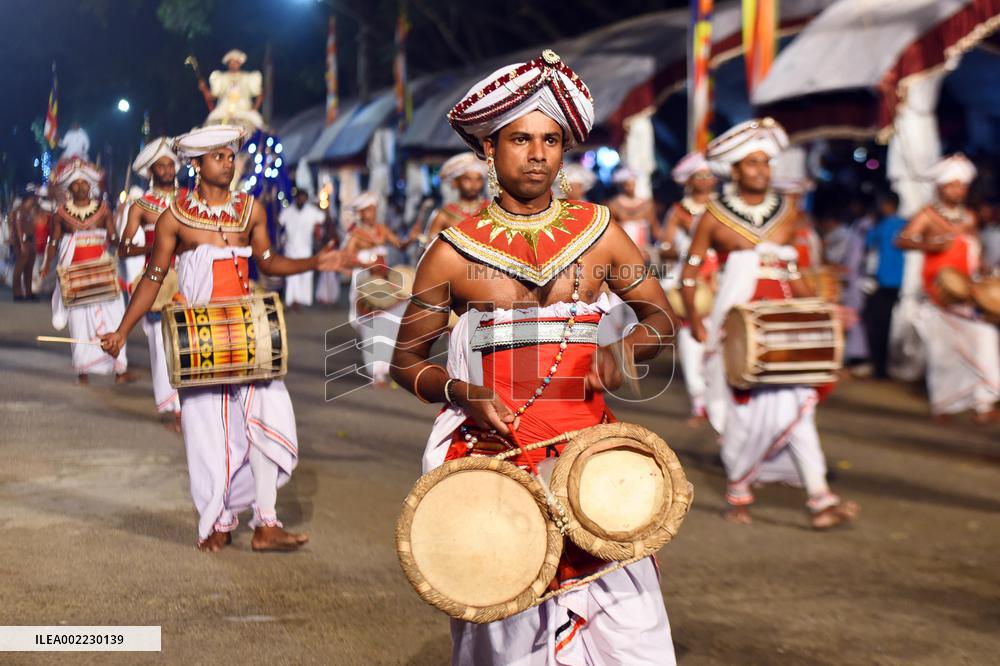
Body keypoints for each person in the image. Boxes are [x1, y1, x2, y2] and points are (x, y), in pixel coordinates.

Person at [391, 49, 678, 665]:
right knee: (510, 634)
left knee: (634, 634)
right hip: (497, 462)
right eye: (520, 139)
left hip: (591, 463)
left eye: (550, 140)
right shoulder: (451, 253)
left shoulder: (601, 232)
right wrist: (464, 392)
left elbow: (660, 316)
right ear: (489, 151)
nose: (538, 154)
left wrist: (622, 352)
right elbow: (406, 361)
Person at [100, 125, 350, 551]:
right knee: (208, 434)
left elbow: (268, 263)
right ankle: (217, 519)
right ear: (195, 165)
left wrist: (316, 262)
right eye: (218, 157)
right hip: (200, 340)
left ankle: (266, 522)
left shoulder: (250, 210)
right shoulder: (173, 218)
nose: (229, 163)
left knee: (269, 422)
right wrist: (122, 330)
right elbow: (153, 277)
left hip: (249, 335)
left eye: (232, 156)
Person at [684, 118, 859, 529]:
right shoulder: (713, 216)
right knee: (743, 415)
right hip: (738, 328)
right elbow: (691, 271)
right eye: (751, 163)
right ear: (736, 170)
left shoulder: (789, 212)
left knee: (798, 406)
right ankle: (739, 491)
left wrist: (815, 313)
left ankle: (819, 497)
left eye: (765, 162)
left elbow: (794, 268)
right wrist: (694, 319)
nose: (761, 170)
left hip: (784, 325)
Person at [896, 154, 998, 422]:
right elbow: (903, 240)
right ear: (940, 187)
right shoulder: (927, 215)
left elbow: (975, 248)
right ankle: (945, 404)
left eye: (961, 185)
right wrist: (931, 245)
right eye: (952, 185)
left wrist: (984, 272)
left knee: (983, 338)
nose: (958, 190)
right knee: (943, 352)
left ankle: (983, 401)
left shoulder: (970, 217)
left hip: (967, 290)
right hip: (938, 292)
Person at [40, 159, 131, 384]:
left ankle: (119, 369)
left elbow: (112, 238)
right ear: (69, 188)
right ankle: (83, 370)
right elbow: (54, 242)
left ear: (91, 186)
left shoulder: (103, 210)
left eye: (84, 184)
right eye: (75, 185)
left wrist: (122, 241)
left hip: (102, 273)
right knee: (79, 323)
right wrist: (46, 264)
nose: (80, 188)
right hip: (76, 277)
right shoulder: (60, 214)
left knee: (114, 317)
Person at [118, 137, 183, 429]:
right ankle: (174, 408)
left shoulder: (190, 200)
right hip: (157, 282)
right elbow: (124, 248)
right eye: (162, 165)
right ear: (151, 171)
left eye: (171, 164)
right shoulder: (141, 206)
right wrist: (155, 250)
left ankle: (191, 405)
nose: (168, 169)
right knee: (162, 346)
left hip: (190, 278)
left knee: (188, 342)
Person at [659, 151, 718, 424]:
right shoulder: (679, 211)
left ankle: (721, 405)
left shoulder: (723, 208)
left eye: (709, 175)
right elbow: (665, 247)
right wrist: (683, 253)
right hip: (689, 279)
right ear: (689, 182)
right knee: (691, 341)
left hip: (719, 278)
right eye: (700, 176)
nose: (705, 180)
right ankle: (699, 403)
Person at [344, 192, 410, 387]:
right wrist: (366, 264)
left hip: (384, 279)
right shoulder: (355, 235)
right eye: (366, 211)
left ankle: (386, 368)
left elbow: (400, 244)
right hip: (364, 281)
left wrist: (412, 238)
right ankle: (376, 374)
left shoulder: (382, 229)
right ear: (360, 213)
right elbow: (346, 258)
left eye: (372, 209)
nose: (370, 214)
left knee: (390, 321)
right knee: (371, 325)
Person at [863, 192, 907, 379]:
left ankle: (879, 367)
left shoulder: (883, 225)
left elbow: (868, 242)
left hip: (882, 282)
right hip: (898, 283)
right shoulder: (906, 224)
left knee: (877, 326)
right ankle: (882, 367)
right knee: (887, 325)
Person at [278, 189, 325, 310]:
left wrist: (322, 204)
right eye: (299, 197)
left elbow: (323, 218)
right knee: (292, 274)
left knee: (306, 274)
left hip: (305, 248)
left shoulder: (311, 211)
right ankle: (293, 299)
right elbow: (279, 222)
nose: (301, 199)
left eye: (303, 197)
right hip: (290, 248)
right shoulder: (287, 211)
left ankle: (304, 299)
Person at [425, 152, 487, 239]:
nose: (474, 185)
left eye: (478, 179)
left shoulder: (491, 210)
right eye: (467, 179)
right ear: (455, 183)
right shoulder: (443, 215)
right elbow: (430, 247)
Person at [202, 49, 264, 129]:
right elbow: (212, 96)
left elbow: (259, 93)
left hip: (244, 110)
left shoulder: (247, 77)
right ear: (228, 64)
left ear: (239, 63)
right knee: (210, 121)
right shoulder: (221, 78)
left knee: (257, 122)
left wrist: (254, 109)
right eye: (231, 62)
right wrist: (204, 88)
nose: (233, 64)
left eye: (235, 62)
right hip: (223, 110)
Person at [608, 166, 659, 261]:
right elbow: (612, 228)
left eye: (632, 184)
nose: (630, 187)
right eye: (627, 184)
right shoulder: (614, 205)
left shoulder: (647, 205)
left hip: (644, 247)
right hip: (623, 247)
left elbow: (654, 228)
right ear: (622, 186)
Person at [11, 188, 40, 301]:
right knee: (19, 268)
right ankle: (17, 293)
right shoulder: (19, 210)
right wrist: (22, 244)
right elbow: (18, 227)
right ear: (28, 199)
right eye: (32, 198)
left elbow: (32, 228)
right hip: (22, 242)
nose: (34, 200)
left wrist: (34, 243)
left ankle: (28, 292)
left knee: (29, 268)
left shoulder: (29, 211)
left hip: (30, 242)